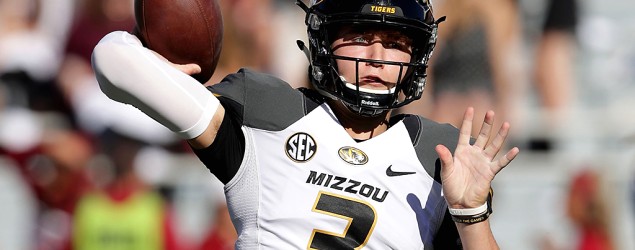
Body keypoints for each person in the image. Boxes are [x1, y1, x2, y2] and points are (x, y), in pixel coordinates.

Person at [91, 0, 520, 248]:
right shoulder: (270, 111)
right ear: (323, 44)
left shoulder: (436, 156)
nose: (376, 56)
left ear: (416, 58)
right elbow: (115, 63)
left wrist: (470, 213)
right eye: (358, 36)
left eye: (393, 43)